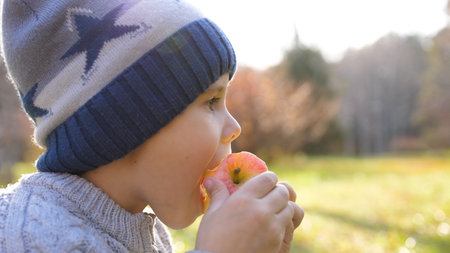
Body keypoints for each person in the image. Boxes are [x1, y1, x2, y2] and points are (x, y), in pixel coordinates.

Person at [0, 0, 304, 252]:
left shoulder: (148, 238)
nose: (234, 127)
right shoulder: (30, 233)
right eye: (211, 101)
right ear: (128, 120)